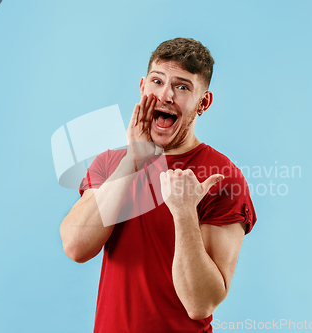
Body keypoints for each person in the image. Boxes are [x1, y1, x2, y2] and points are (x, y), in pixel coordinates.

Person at [60, 37, 256, 333]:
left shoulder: (223, 176)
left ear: (203, 102)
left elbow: (201, 304)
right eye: (157, 81)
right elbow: (76, 247)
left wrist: (184, 211)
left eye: (182, 87)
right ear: (142, 87)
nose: (165, 95)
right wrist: (132, 160)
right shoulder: (111, 163)